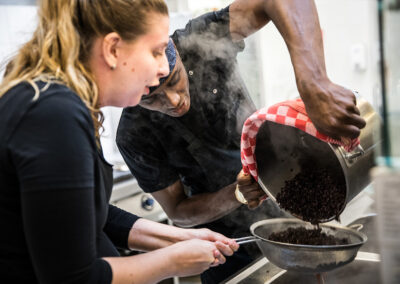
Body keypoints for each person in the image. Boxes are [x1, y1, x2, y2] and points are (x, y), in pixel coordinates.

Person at [116, 0, 367, 283]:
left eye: (174, 80)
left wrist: (313, 82)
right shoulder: (133, 133)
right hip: (229, 247)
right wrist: (237, 193)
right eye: (152, 97)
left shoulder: (199, 40)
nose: (173, 101)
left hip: (289, 208)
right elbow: (178, 212)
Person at [0, 1, 239, 283]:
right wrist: (173, 261)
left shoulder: (63, 103)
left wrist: (180, 237)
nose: (164, 68)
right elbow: (72, 278)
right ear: (113, 49)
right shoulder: (53, 114)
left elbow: (90, 217)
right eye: (156, 51)